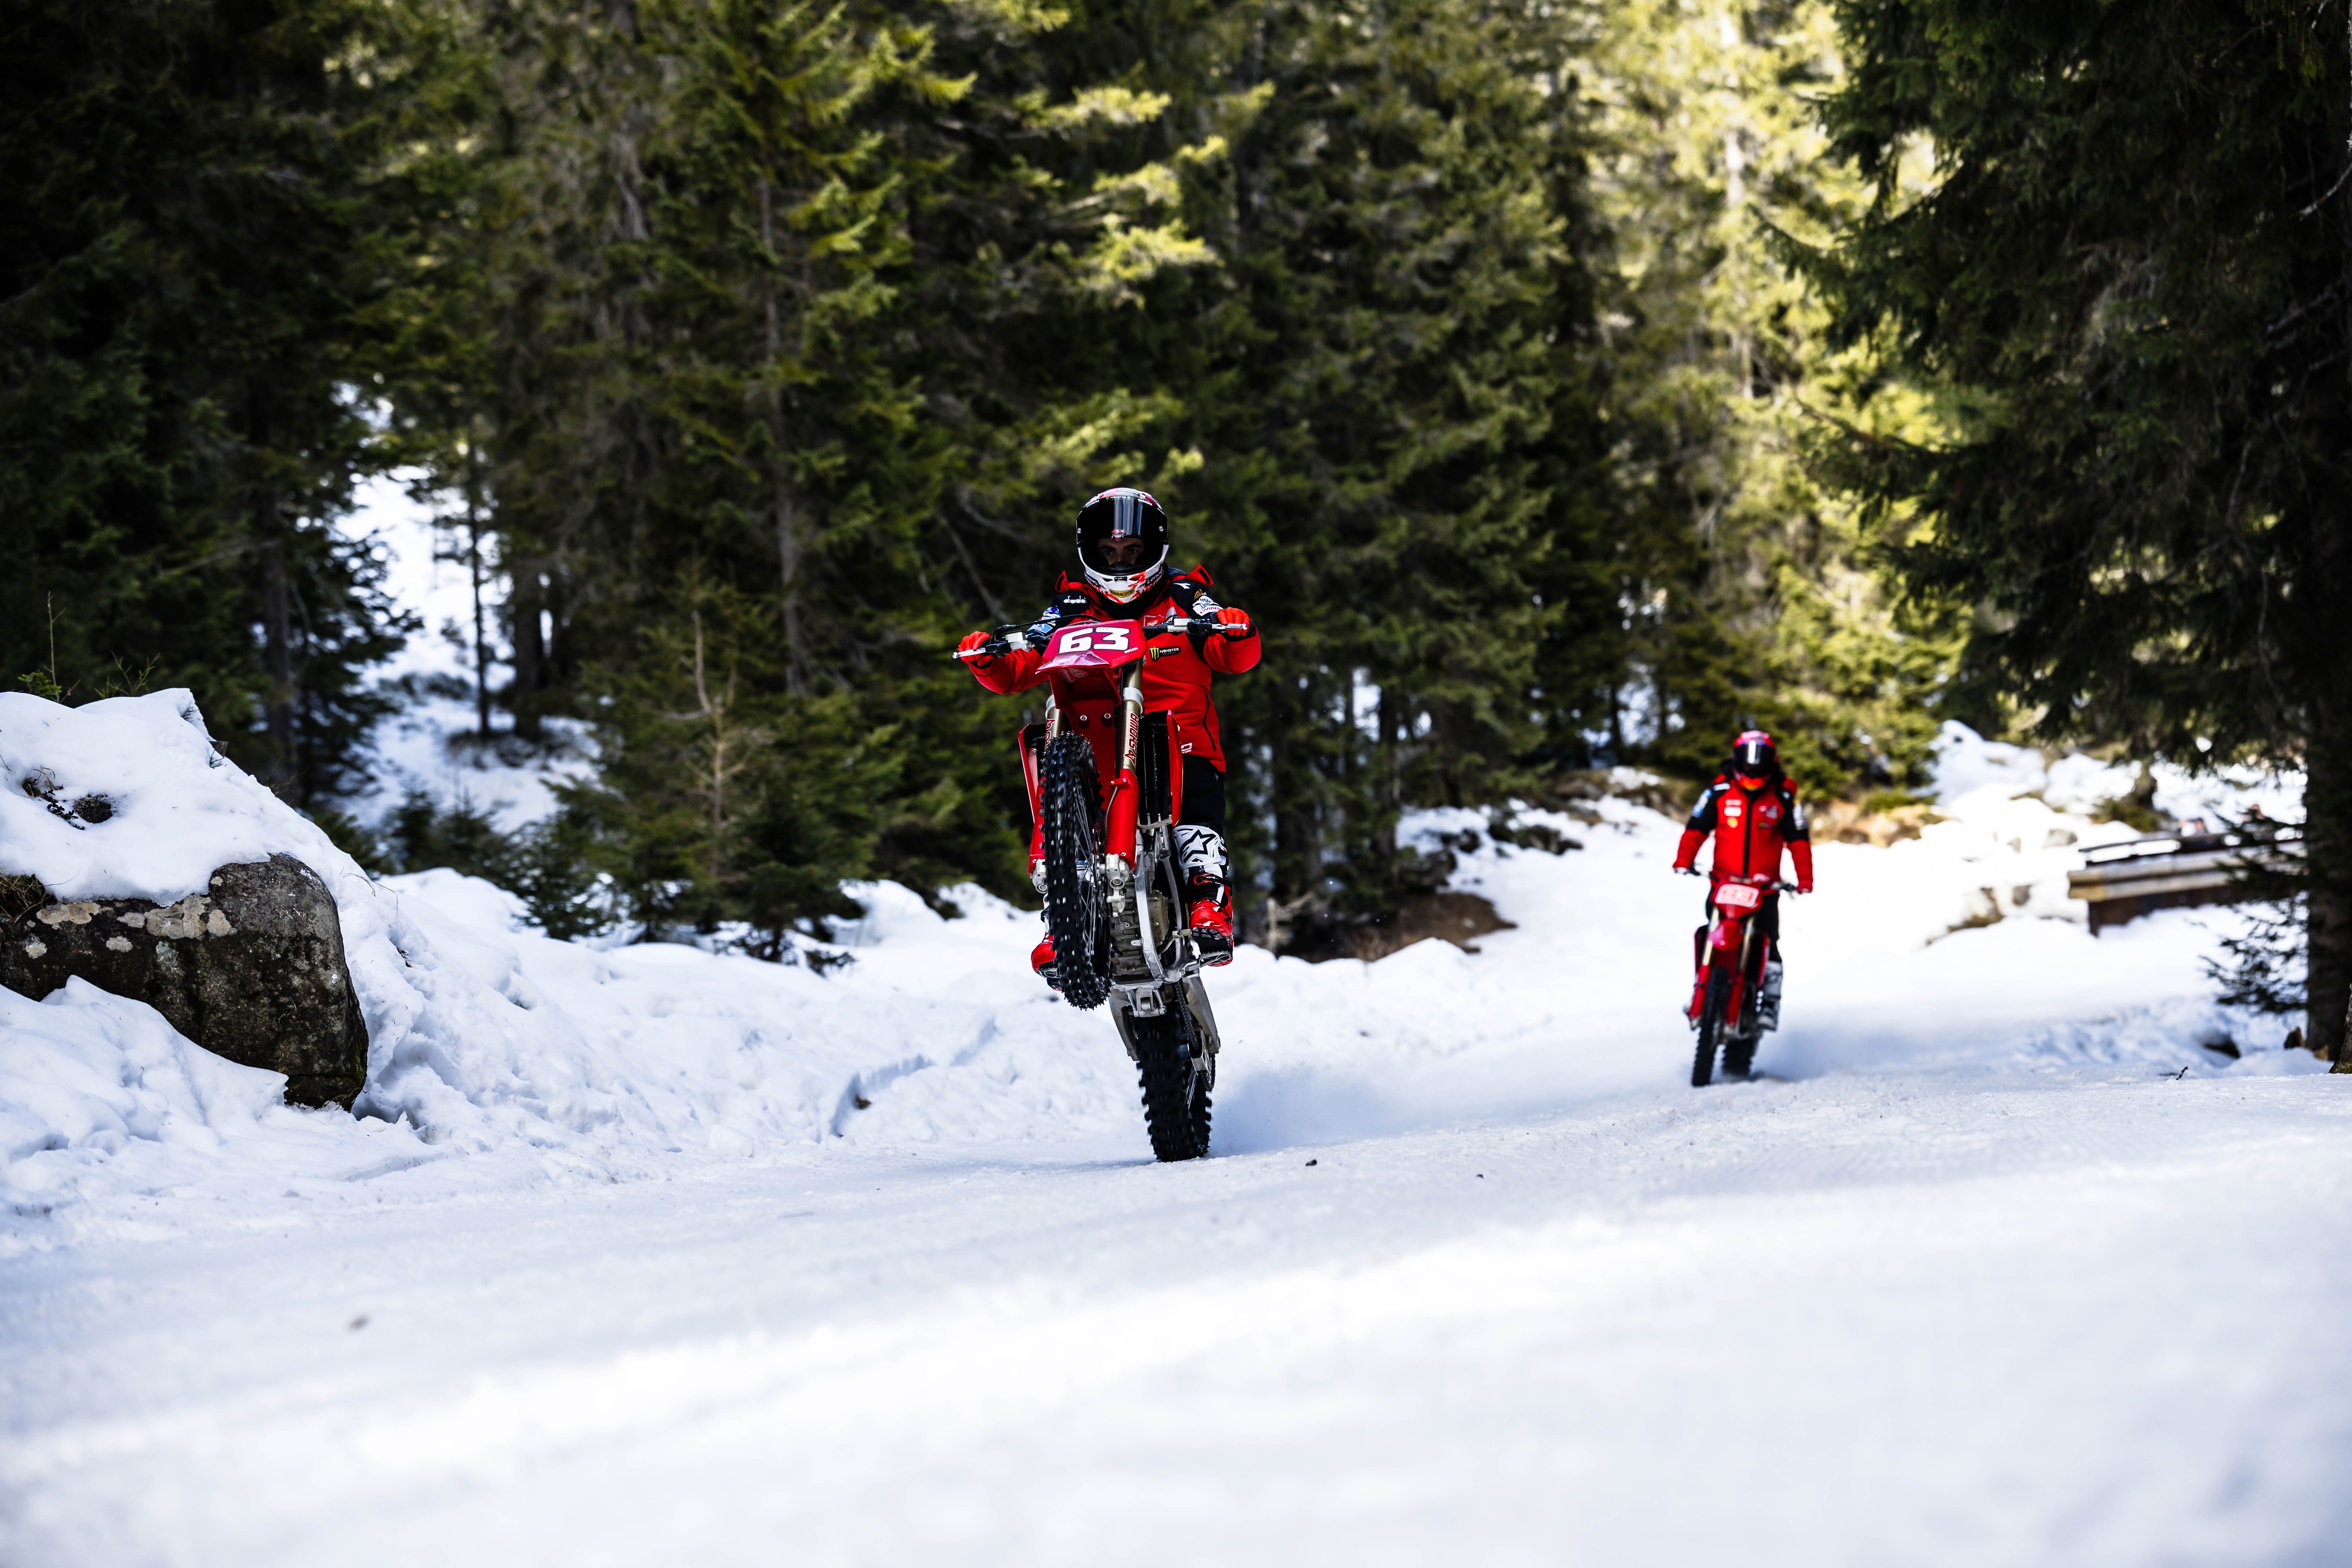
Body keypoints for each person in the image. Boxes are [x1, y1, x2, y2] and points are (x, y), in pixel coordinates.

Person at [958, 488, 1260, 979]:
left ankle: (1209, 902)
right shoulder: (1073, 605)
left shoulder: (1185, 596)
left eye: (1132, 552)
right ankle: (1065, 919)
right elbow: (1022, 665)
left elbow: (1235, 654)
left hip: (1177, 739)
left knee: (1193, 799)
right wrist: (988, 661)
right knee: (1050, 747)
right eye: (1110, 553)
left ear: (1155, 549)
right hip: (1098, 744)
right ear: (1091, 554)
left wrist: (1234, 629)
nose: (1121, 562)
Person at [1672, 729, 1814, 1029]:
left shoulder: (1784, 795)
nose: (1751, 766)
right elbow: (1697, 827)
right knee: (1708, 931)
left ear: (1770, 761)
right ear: (1736, 758)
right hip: (1723, 884)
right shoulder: (1719, 791)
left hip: (1765, 890)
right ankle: (1702, 987)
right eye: (1746, 759)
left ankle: (1770, 1004)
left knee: (1770, 942)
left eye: (1758, 760)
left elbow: (1799, 840)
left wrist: (1805, 879)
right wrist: (1683, 860)